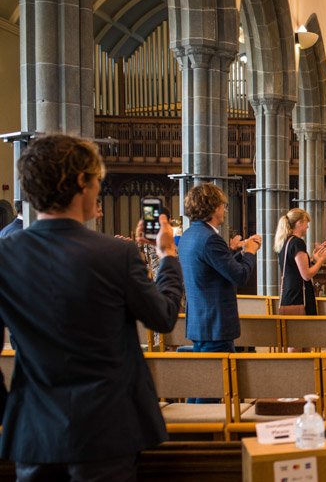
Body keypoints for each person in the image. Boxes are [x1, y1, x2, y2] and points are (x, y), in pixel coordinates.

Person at [0, 134, 183, 479]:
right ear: (82, 181)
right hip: (107, 428)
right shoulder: (115, 254)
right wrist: (168, 257)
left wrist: (9, 410)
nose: (99, 188)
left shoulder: (5, 257)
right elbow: (163, 317)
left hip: (34, 430)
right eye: (98, 180)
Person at [179, 183, 261, 357]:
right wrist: (251, 252)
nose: (225, 210)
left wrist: (240, 252)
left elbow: (215, 268)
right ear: (214, 207)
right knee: (220, 381)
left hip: (200, 323)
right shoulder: (210, 239)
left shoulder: (188, 235)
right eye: (223, 205)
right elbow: (239, 276)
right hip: (214, 326)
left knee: (208, 379)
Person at [275, 208, 326, 315]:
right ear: (299, 223)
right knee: (305, 331)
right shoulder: (298, 243)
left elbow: (294, 268)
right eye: (306, 223)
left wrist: (314, 259)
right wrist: (322, 260)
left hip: (288, 295)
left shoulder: (285, 241)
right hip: (299, 296)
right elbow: (306, 275)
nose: (307, 227)